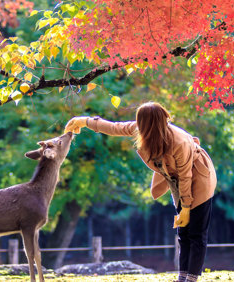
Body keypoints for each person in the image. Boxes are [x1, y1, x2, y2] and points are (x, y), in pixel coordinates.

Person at [64, 102, 216, 282]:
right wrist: (84, 121)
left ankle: (192, 278)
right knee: (183, 232)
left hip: (198, 177)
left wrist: (185, 207)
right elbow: (114, 127)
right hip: (176, 178)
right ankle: (182, 276)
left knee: (196, 232)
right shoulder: (142, 130)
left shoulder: (179, 141)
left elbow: (186, 176)